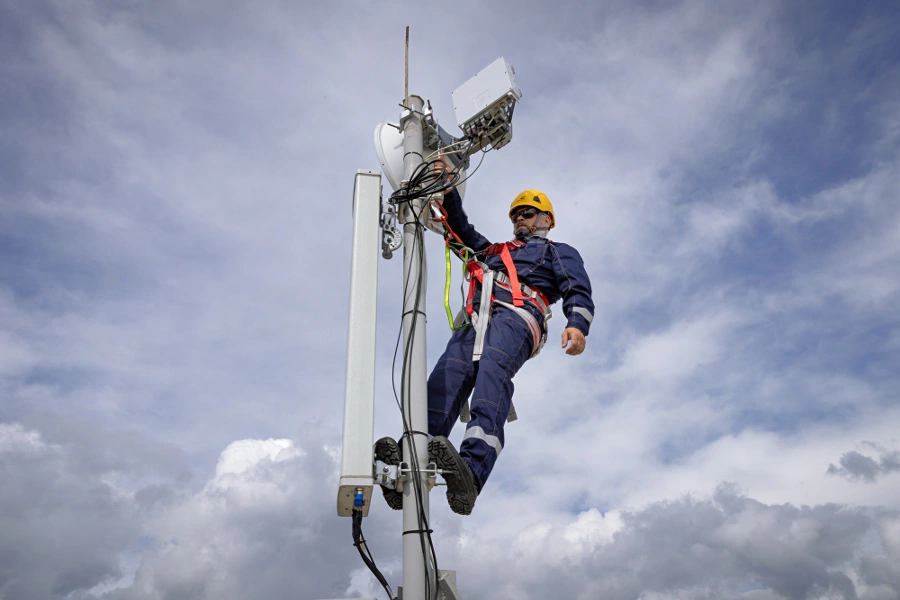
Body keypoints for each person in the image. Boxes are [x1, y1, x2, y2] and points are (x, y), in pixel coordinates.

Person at [375, 170, 594, 515]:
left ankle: (471, 471)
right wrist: (447, 189)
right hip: (476, 321)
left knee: (493, 373)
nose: (521, 218)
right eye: (516, 215)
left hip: (517, 317)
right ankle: (407, 461)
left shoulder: (558, 252)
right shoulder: (493, 251)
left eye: (528, 213)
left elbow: (576, 287)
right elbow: (461, 229)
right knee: (442, 383)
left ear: (547, 220)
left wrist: (577, 324)